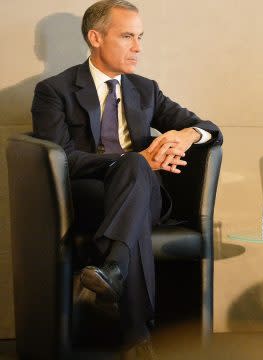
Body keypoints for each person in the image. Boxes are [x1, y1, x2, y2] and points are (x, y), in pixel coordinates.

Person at [30, 0, 222, 357]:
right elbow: (62, 157)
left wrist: (188, 135)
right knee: (133, 164)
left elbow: (211, 128)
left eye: (140, 37)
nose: (138, 47)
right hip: (89, 198)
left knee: (135, 167)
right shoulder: (54, 91)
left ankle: (113, 273)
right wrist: (128, 160)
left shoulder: (145, 89)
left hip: (145, 197)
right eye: (127, 36)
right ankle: (133, 327)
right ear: (96, 37)